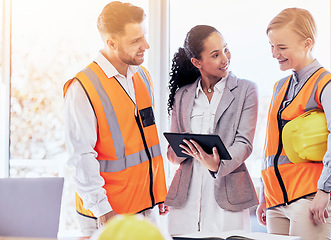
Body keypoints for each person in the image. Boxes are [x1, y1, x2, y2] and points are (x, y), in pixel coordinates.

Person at [63, 1, 168, 237]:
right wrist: (103, 211)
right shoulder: (83, 88)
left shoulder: (142, 76)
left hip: (146, 208)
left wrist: (157, 191)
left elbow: (146, 143)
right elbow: (81, 157)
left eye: (144, 36)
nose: (146, 45)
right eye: (135, 41)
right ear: (110, 43)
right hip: (109, 216)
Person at [256, 8, 331, 240]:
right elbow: (271, 147)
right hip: (276, 199)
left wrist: (324, 191)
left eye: (282, 47)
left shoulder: (328, 85)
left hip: (312, 196)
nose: (274, 54)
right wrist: (265, 194)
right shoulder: (279, 87)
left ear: (307, 43)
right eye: (271, 46)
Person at [165, 25, 259, 236]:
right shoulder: (183, 96)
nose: (225, 58)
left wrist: (217, 164)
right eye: (215, 55)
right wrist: (182, 150)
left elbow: (245, 143)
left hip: (228, 199)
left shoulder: (246, 90)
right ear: (197, 62)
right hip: (185, 201)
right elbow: (172, 154)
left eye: (226, 50)